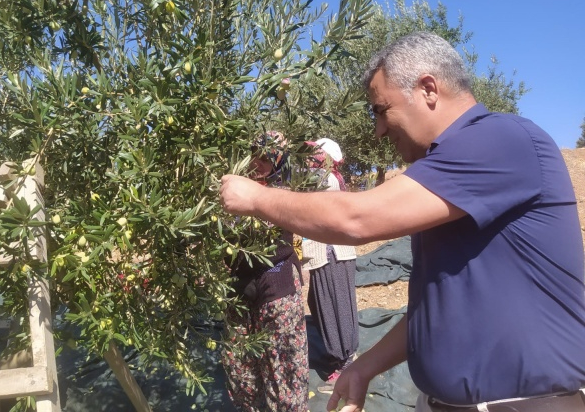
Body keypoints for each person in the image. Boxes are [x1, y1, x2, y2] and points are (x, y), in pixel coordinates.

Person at [219, 31, 585, 412]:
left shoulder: (499, 139)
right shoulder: (446, 181)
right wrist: (366, 367)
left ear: (428, 89)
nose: (378, 130)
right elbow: (436, 305)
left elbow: (356, 219)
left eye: (381, 110)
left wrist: (255, 197)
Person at [221, 131, 309, 412]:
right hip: (238, 292)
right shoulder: (228, 194)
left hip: (277, 289)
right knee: (241, 372)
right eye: (255, 156)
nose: (258, 163)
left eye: (267, 158)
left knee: (284, 369)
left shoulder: (283, 193)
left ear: (279, 162)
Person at [302, 138, 359, 393]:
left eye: (314, 153)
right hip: (325, 253)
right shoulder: (324, 177)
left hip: (332, 253)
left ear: (325, 158)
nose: (308, 156)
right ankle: (339, 354)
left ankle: (346, 362)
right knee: (320, 303)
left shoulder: (325, 179)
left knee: (335, 304)